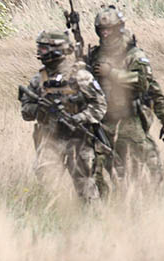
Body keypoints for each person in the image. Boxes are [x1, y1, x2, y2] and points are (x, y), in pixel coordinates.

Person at [85, 5, 164, 196]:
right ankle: (106, 203)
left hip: (129, 120)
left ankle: (157, 198)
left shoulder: (134, 56)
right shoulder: (94, 56)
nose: (105, 34)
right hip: (101, 121)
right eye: (101, 30)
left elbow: (146, 85)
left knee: (148, 163)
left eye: (109, 29)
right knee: (98, 167)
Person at [18, 31, 107, 202]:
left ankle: (95, 220)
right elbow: (25, 111)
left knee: (86, 187)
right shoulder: (39, 79)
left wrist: (80, 117)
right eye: (40, 48)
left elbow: (99, 105)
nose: (40, 52)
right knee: (48, 181)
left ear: (57, 50)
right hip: (50, 139)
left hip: (78, 139)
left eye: (44, 48)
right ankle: (60, 216)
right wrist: (39, 109)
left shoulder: (80, 76)